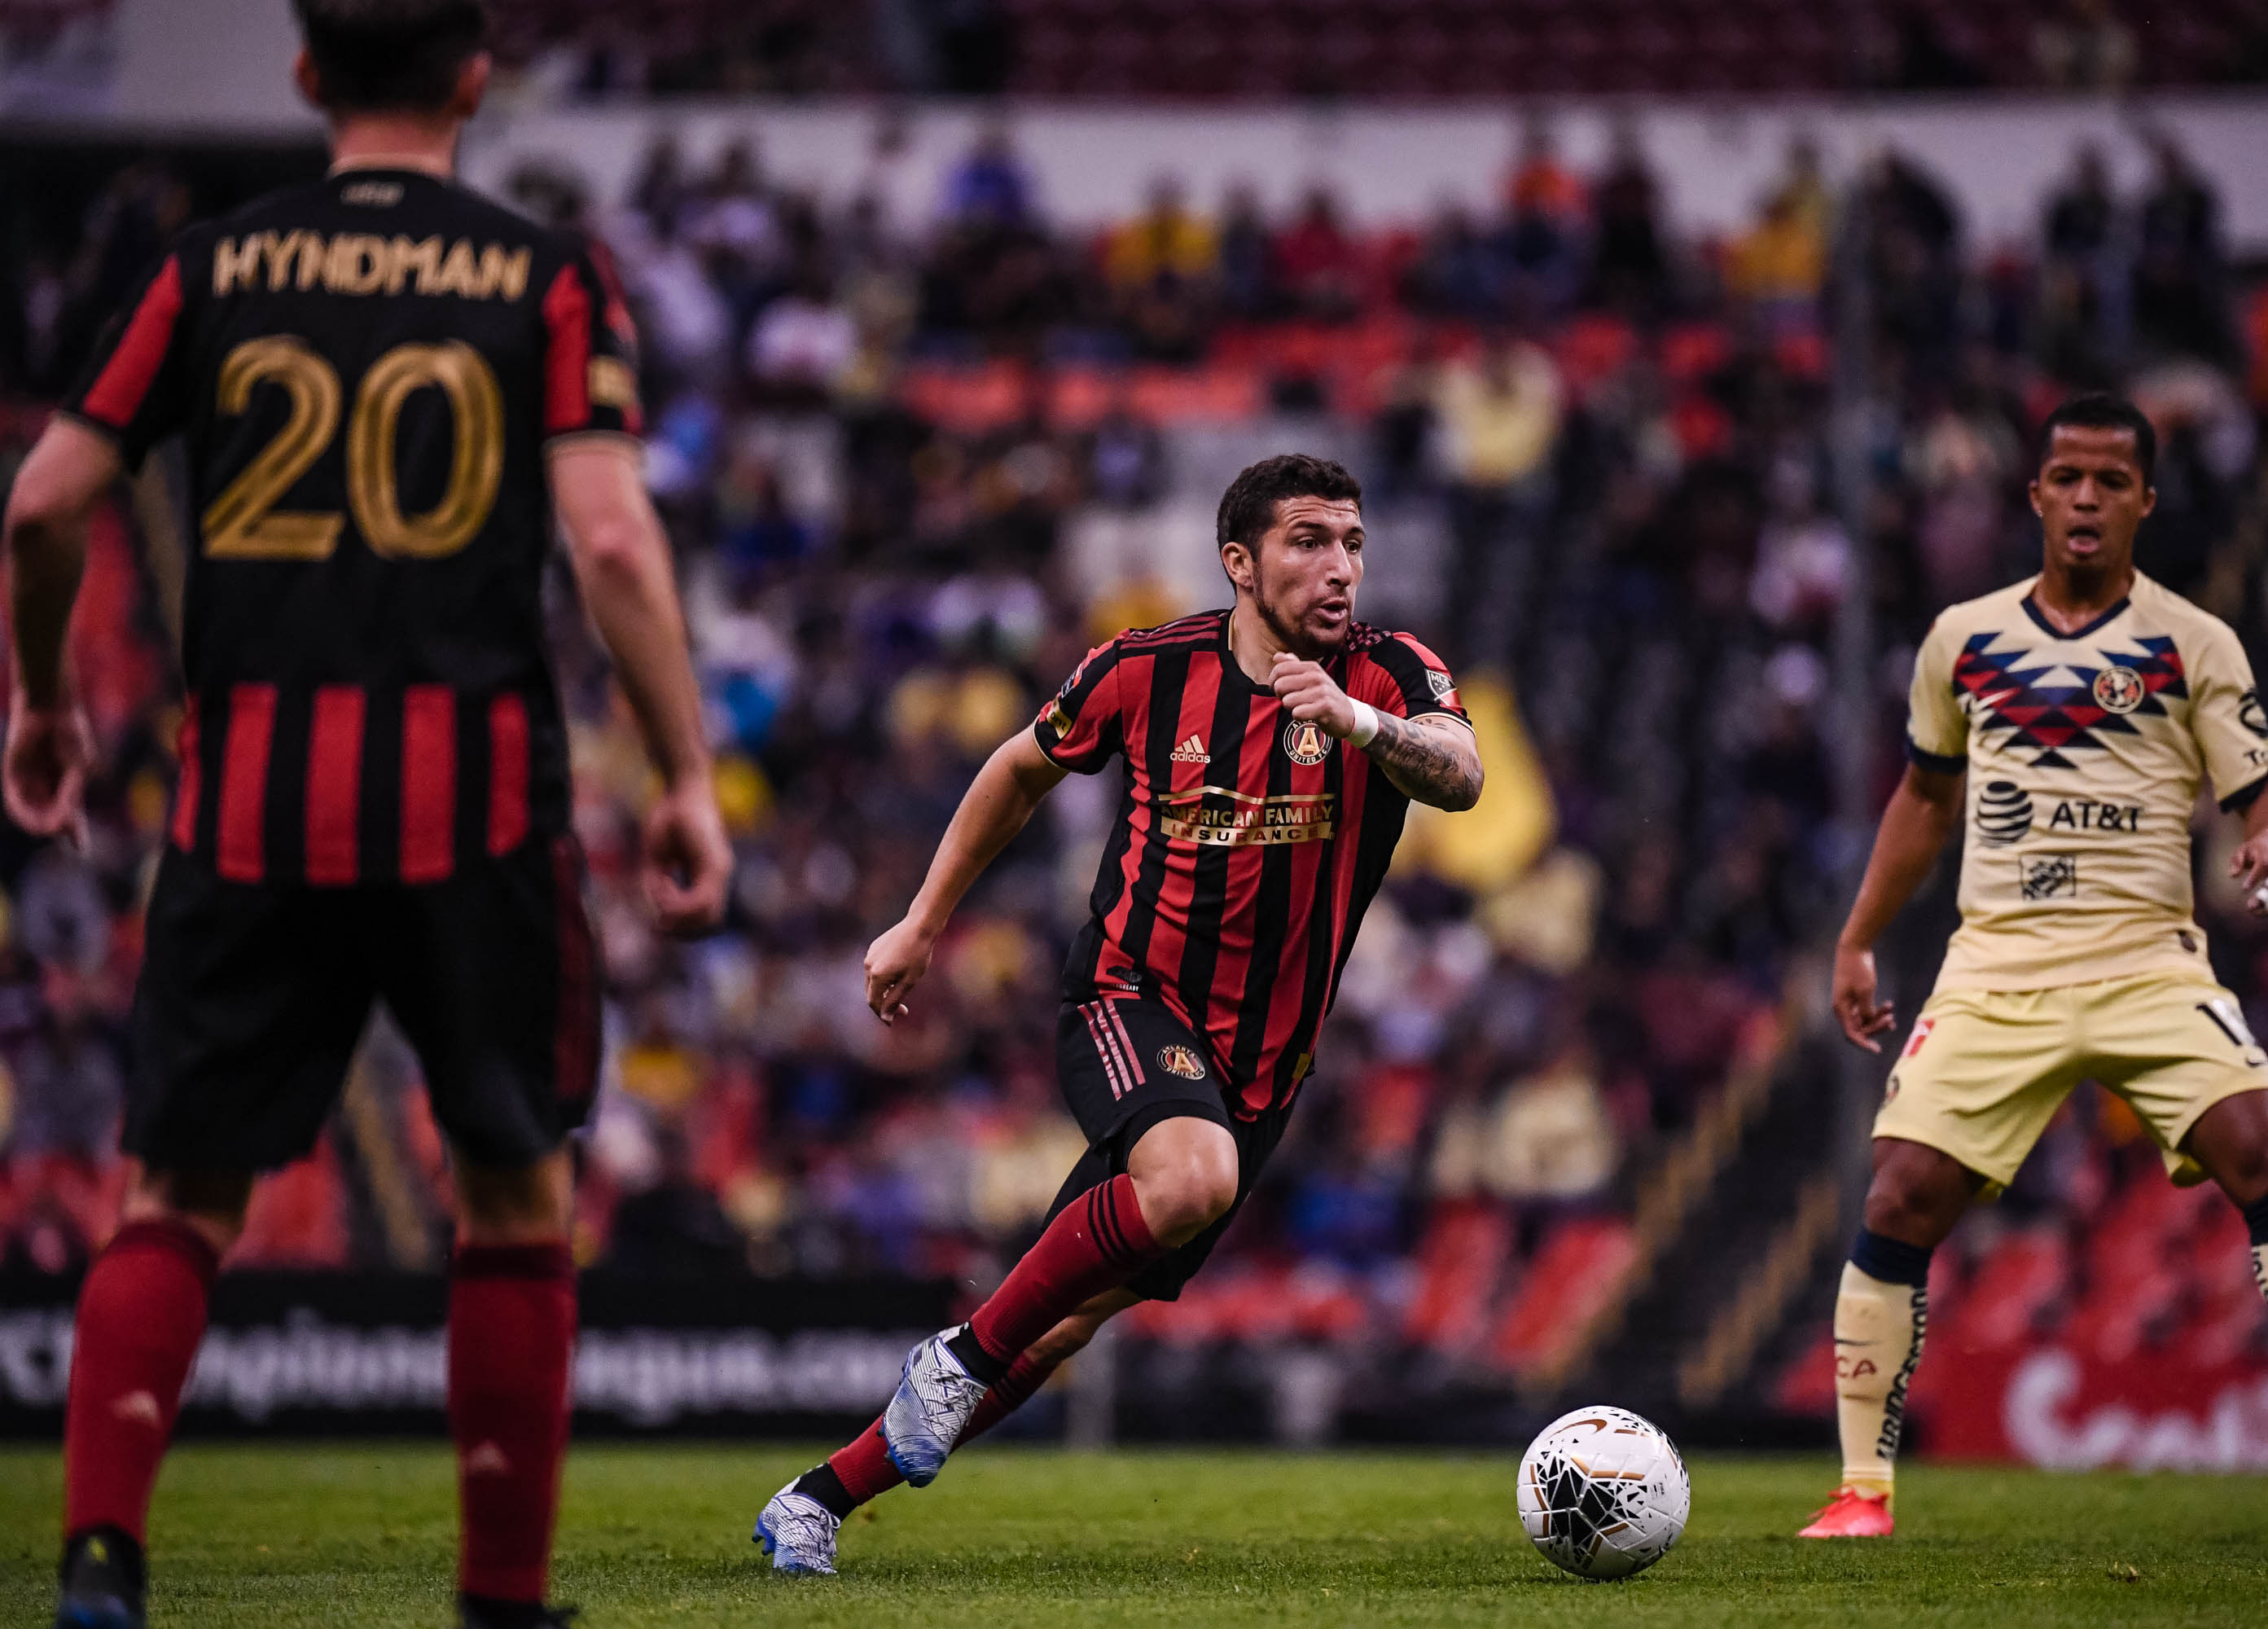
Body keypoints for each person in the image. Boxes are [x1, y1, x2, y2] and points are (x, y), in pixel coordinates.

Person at [10, 4, 734, 1624]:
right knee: (511, 1185)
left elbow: (47, 499)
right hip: (476, 798)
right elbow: (611, 542)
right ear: (474, 82)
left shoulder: (206, 270)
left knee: (177, 1195)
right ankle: (498, 1596)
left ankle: (102, 1558)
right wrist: (685, 771)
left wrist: (48, 701)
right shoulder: (542, 273)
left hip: (249, 792)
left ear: (306, 77)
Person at [752, 454, 1484, 1575]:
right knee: (1189, 1182)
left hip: (1263, 1066)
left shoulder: (1388, 673)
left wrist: (1357, 725)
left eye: (1352, 542)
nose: (1339, 566)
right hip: (1130, 997)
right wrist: (921, 921)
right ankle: (958, 1356)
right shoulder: (1148, 668)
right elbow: (1016, 769)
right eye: (1308, 541)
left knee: (1063, 1325)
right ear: (1239, 561)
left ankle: (816, 1501)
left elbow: (1463, 774)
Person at [1798, 394, 2268, 1539]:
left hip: (2149, 965)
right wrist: (1856, 937)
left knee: (2266, 1148)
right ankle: (1861, 1491)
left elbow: (2265, 790)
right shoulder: (1965, 639)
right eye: (2067, 477)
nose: (2086, 498)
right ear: (2037, 494)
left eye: (2110, 480)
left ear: (2145, 498)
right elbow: (1923, 799)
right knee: (1898, 1192)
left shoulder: (2194, 644)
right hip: (1997, 968)